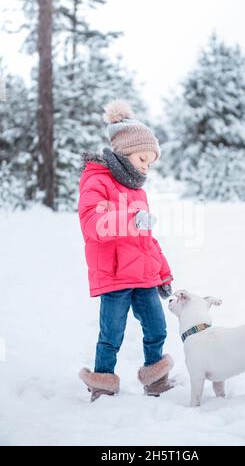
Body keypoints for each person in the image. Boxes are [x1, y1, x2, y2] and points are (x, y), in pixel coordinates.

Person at [78, 99, 175, 402]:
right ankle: (103, 384)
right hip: (115, 275)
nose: (146, 166)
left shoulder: (138, 191)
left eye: (150, 162)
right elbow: (92, 223)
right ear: (124, 152)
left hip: (143, 274)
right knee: (111, 335)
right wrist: (130, 219)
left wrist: (162, 271)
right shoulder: (97, 180)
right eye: (143, 159)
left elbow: (147, 239)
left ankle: (155, 379)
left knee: (157, 327)